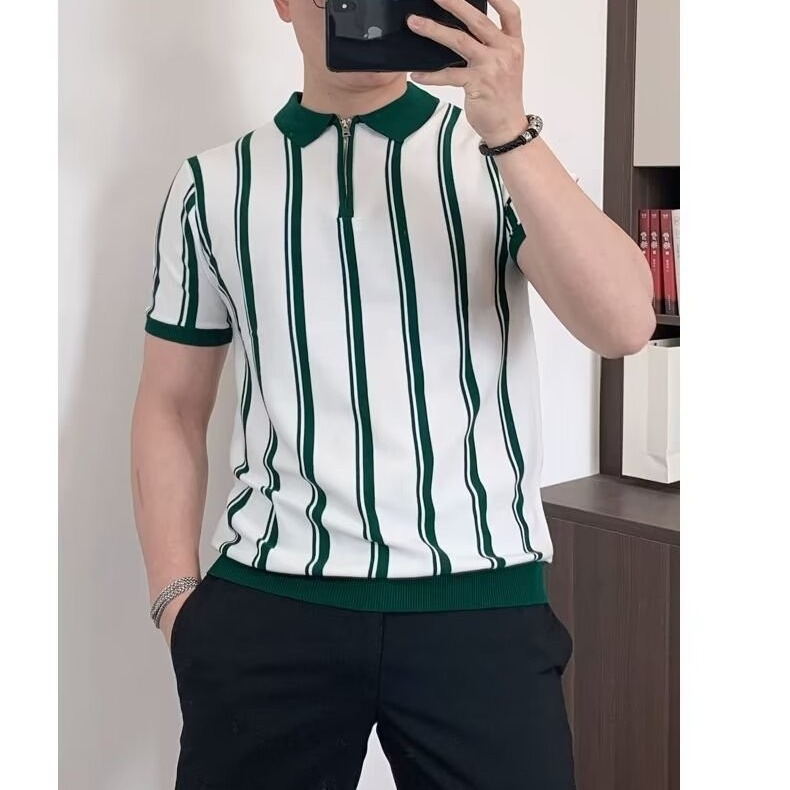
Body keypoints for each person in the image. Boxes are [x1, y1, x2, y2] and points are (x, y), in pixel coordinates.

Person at [131, 0, 654, 787]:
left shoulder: (498, 156)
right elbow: (171, 406)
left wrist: (509, 126)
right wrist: (175, 601)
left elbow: (624, 324)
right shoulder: (212, 184)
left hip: (482, 603)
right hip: (271, 606)